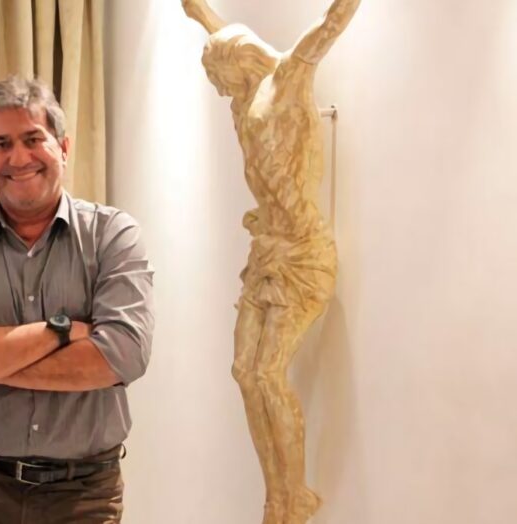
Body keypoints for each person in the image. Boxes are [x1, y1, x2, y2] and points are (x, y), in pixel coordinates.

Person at [0, 76, 154, 524]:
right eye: (1, 144)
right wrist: (61, 332)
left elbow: (123, 355)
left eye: (32, 139)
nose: (18, 158)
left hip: (85, 495)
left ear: (63, 147)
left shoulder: (113, 235)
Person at [182, 1, 360, 523]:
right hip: (266, 251)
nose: (221, 91)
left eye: (220, 78)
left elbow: (329, 25)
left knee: (269, 372)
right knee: (245, 371)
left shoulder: (288, 77)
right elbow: (219, 31)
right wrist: (198, 10)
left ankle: (294, 494)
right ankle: (275, 495)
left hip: (302, 255)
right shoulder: (243, 90)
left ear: (237, 62)